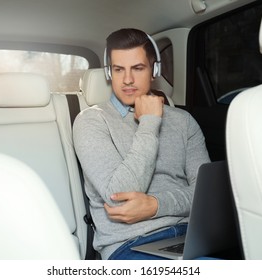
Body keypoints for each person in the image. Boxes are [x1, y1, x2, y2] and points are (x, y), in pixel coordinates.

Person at [73, 28, 210, 260]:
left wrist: (156, 205)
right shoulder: (91, 121)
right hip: (130, 246)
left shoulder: (184, 121)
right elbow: (120, 194)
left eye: (137, 68)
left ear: (154, 70)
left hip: (192, 236)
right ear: (109, 73)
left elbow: (205, 194)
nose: (127, 79)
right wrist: (149, 122)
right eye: (118, 70)